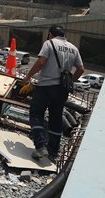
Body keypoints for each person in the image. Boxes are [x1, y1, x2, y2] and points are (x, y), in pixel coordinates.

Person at [19, 25, 84, 163]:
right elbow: (81, 69)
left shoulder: (49, 43)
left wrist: (29, 76)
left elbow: (41, 61)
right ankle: (53, 151)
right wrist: (71, 80)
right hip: (62, 90)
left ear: (50, 34)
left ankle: (40, 146)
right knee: (56, 118)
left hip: (46, 87)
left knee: (36, 114)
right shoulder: (73, 48)